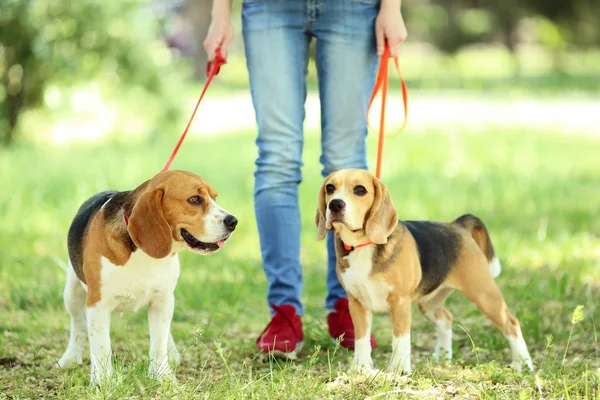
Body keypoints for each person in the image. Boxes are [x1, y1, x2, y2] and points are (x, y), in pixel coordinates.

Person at [204, 0, 407, 359]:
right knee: (276, 158)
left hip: (352, 8)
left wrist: (392, 7)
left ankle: (349, 302)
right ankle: (284, 313)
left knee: (346, 160)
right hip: (270, 9)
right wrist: (220, 14)